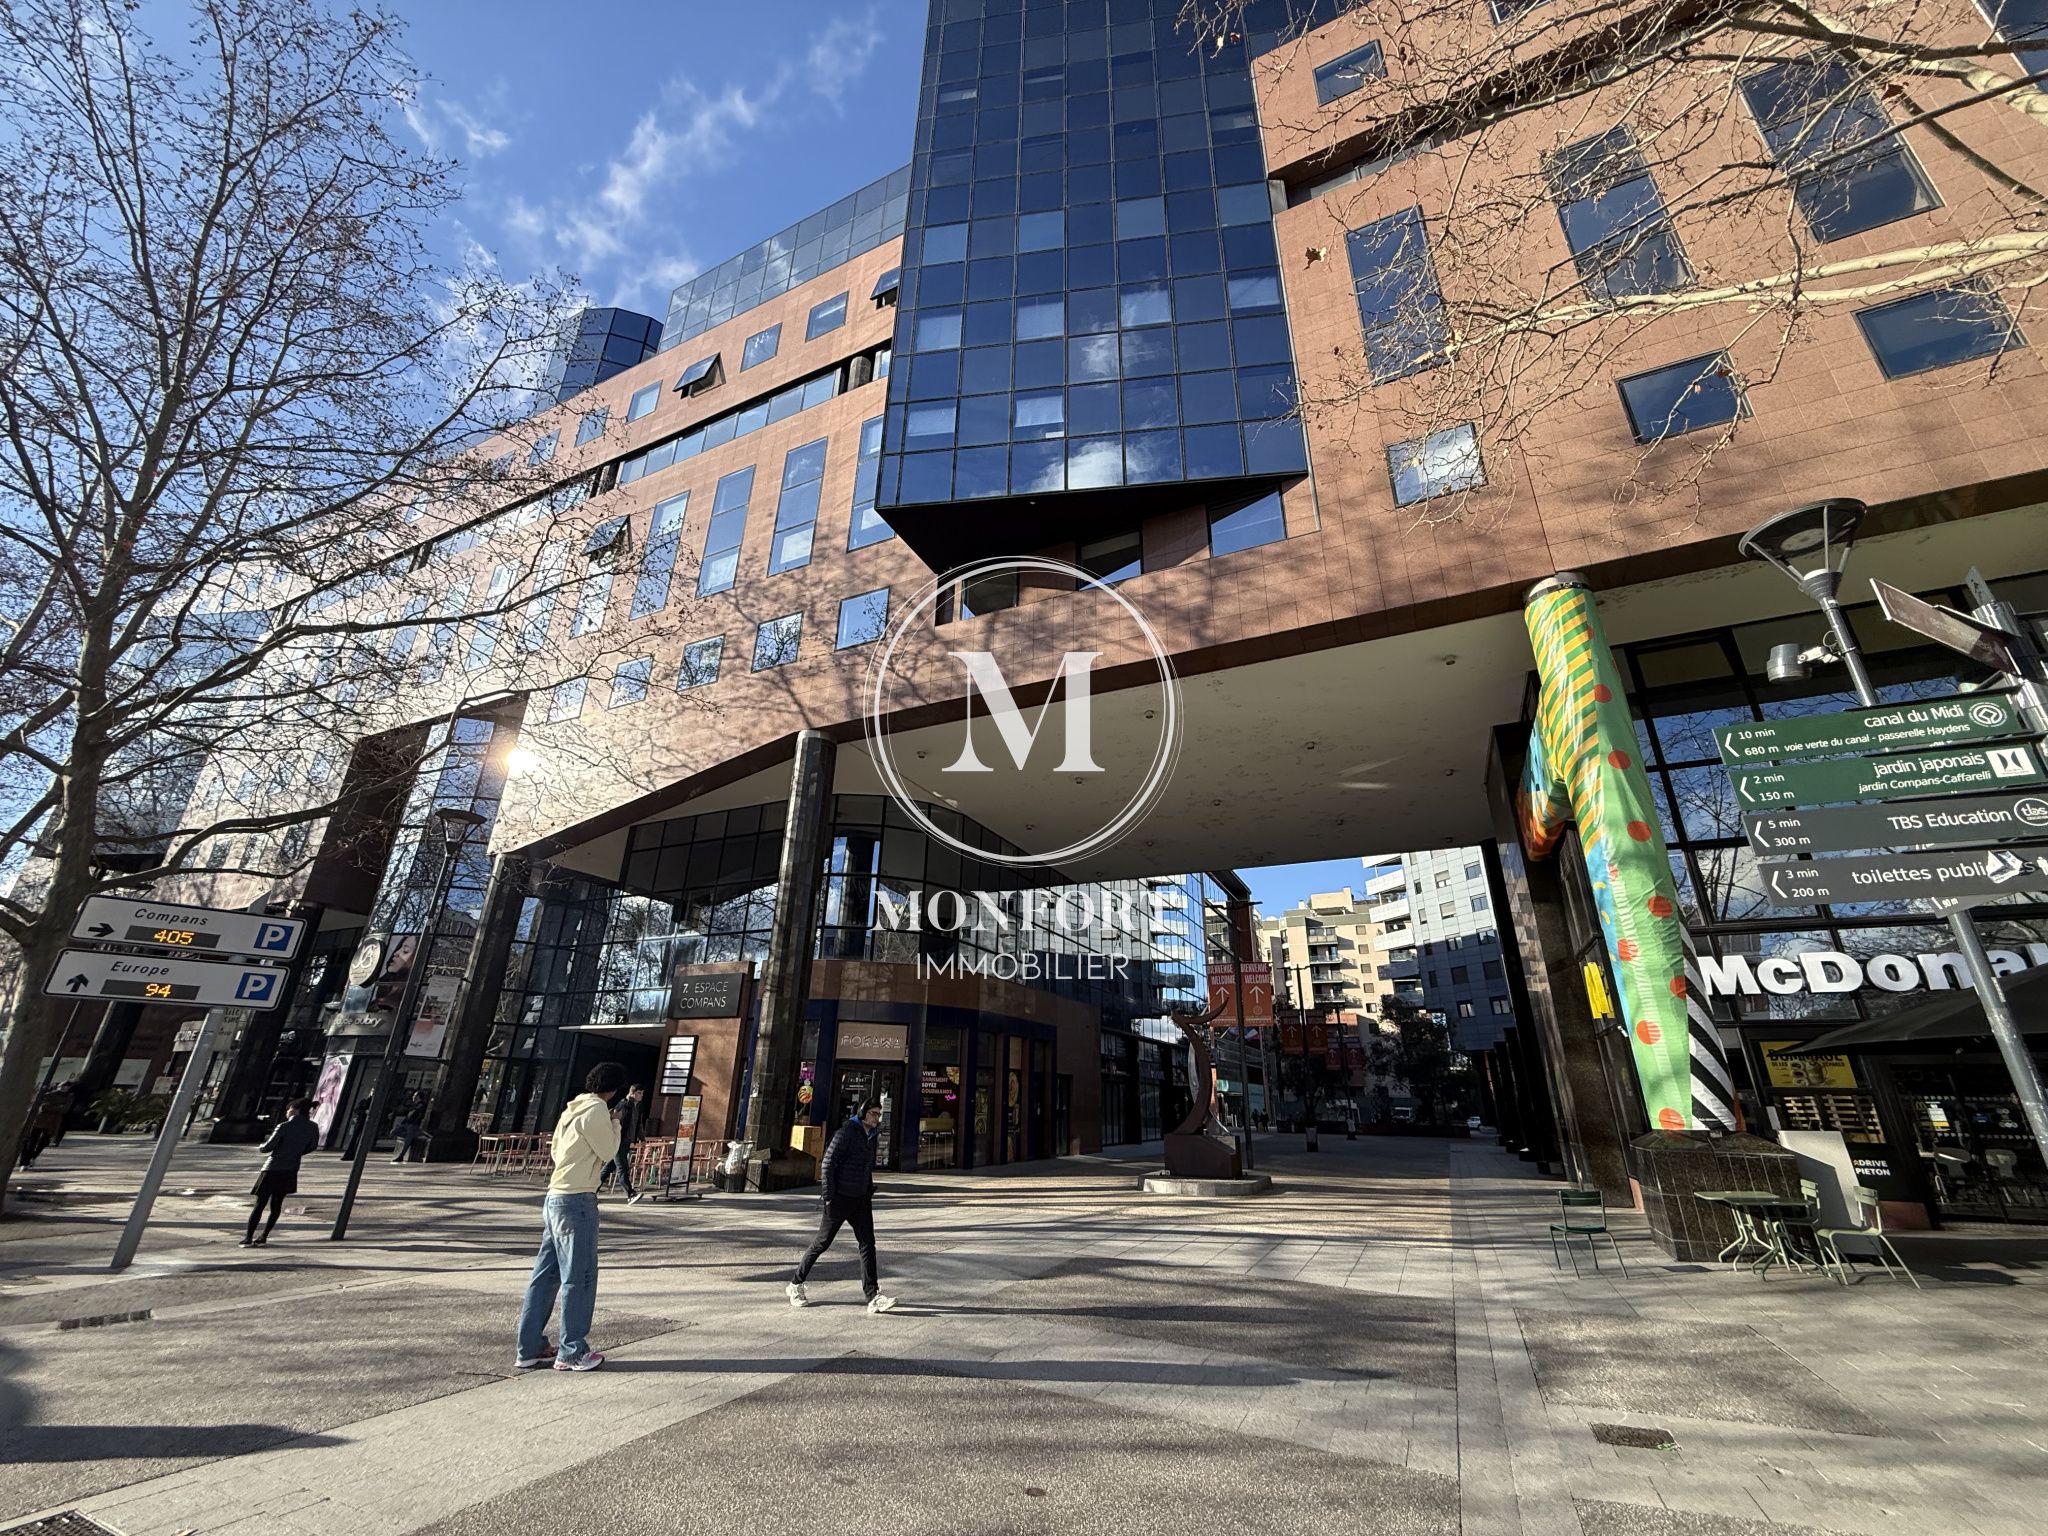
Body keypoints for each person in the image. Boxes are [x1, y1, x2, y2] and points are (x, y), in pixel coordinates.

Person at [515, 1062, 626, 1372]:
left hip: (555, 1196)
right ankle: (573, 1350)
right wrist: (616, 1123)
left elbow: (556, 1153)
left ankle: (530, 1347)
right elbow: (608, 1151)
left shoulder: (570, 1110)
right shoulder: (597, 1112)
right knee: (580, 1276)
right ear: (613, 1090)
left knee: (545, 1275)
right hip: (577, 1199)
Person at [787, 1097, 897, 1314]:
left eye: (879, 1114)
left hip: (860, 1199)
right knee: (822, 1242)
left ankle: (873, 1296)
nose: (877, 1118)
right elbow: (827, 1164)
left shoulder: (869, 1136)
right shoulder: (846, 1133)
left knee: (867, 1244)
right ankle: (795, 1284)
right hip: (840, 1198)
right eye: (874, 1113)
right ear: (863, 1112)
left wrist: (868, 1189)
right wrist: (829, 1197)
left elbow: (864, 1168)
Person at [243, 1098, 320, 1247]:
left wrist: (260, 1146)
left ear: (295, 1110)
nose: (287, 1111)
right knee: (276, 1205)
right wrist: (296, 1153)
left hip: (272, 1168)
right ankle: (264, 1235)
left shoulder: (284, 1126)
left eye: (289, 1109)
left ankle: (248, 1237)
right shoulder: (312, 1127)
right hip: (291, 1168)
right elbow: (312, 1146)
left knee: (260, 1204)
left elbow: (267, 1147)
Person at [600, 1083, 646, 1204]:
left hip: (627, 1141)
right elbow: (614, 1119)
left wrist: (642, 1138)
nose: (641, 1095)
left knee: (610, 1167)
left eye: (642, 1093)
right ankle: (630, 1194)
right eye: (639, 1093)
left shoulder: (638, 1107)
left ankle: (591, 1190)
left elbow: (638, 1124)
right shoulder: (623, 1105)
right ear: (632, 1093)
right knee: (622, 1167)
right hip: (618, 1140)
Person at [389, 1088, 432, 1164]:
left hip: (413, 1125)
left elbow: (419, 1115)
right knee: (394, 1132)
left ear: (418, 1097)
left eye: (415, 1095)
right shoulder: (413, 1105)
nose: (413, 1097)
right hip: (407, 1124)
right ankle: (418, 1134)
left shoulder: (422, 1106)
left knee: (408, 1138)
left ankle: (401, 1155)